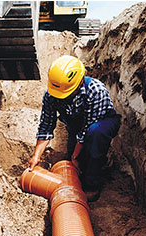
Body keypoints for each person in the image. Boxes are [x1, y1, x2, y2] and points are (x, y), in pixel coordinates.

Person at [27, 55, 121, 201]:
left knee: (95, 135)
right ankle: (94, 165)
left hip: (102, 123)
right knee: (76, 164)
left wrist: (75, 155)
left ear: (80, 82)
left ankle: (92, 185)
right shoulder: (51, 95)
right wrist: (36, 157)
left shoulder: (95, 90)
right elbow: (46, 126)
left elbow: (88, 127)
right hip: (77, 128)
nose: (62, 98)